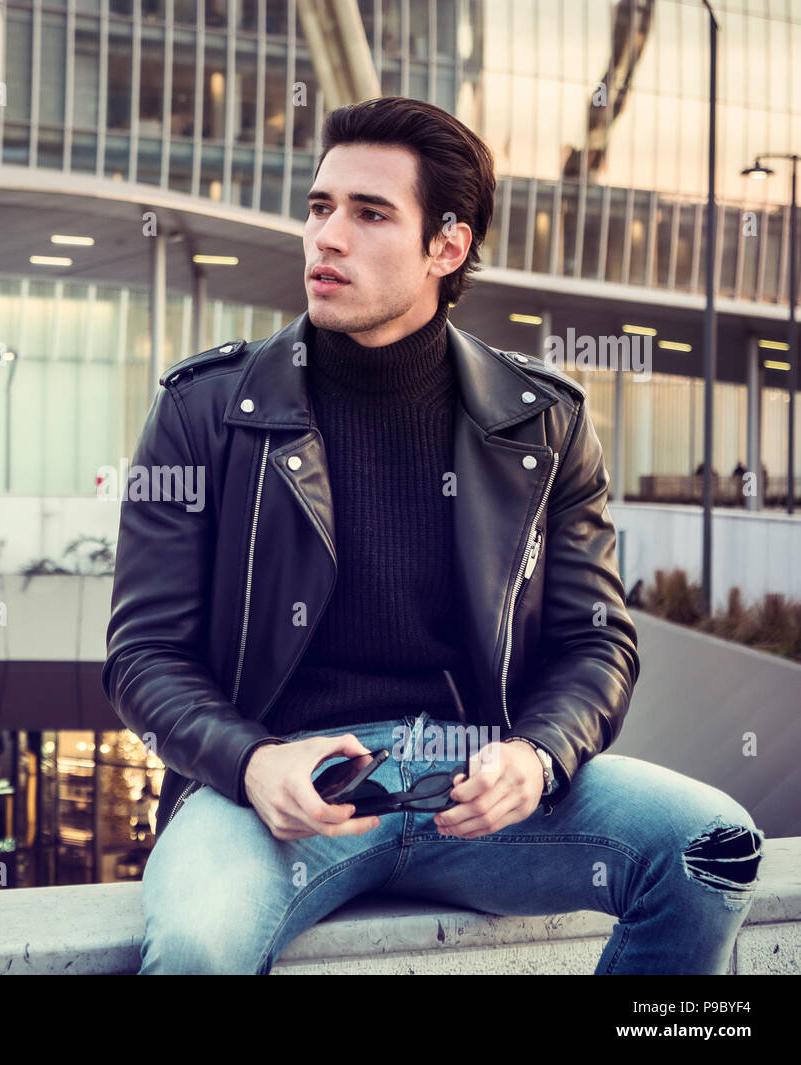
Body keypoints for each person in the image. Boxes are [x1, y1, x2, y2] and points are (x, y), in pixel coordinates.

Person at [102, 96, 764, 975]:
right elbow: (142, 653)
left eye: (370, 213)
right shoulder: (205, 410)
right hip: (269, 795)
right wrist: (253, 760)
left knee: (710, 846)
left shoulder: (544, 423)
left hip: (475, 787)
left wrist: (536, 754)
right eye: (319, 206)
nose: (326, 237)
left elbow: (597, 642)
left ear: (445, 248)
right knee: (195, 948)